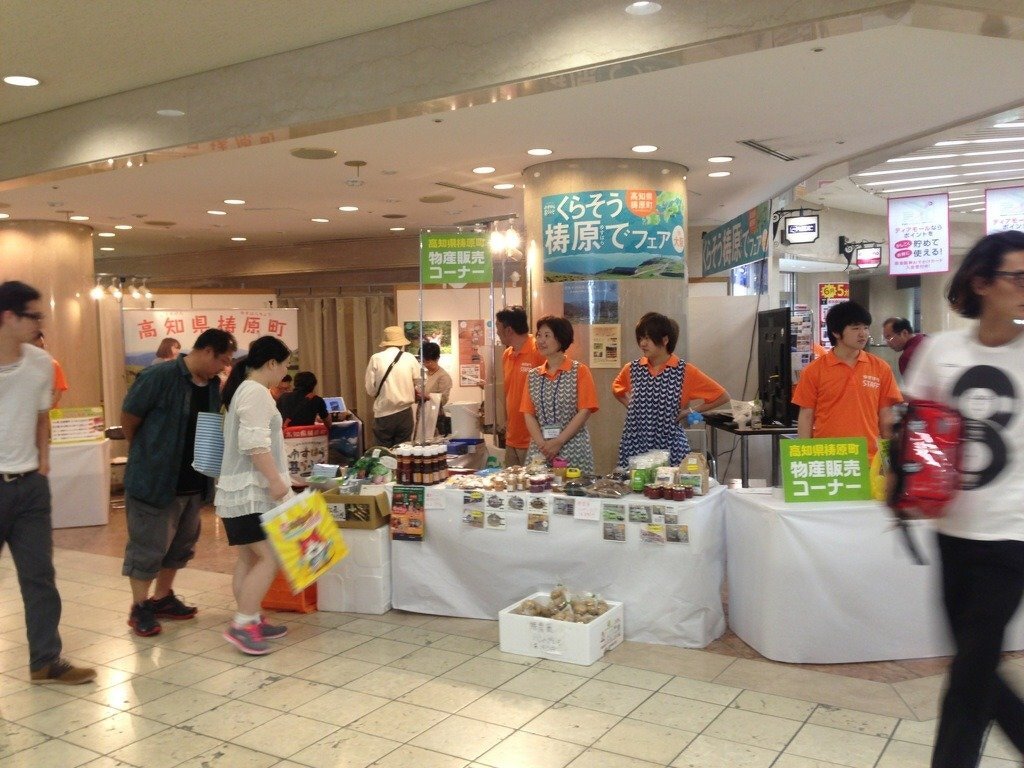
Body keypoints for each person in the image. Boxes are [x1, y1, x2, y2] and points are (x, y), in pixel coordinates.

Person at [902, 231, 1024, 768]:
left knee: (972, 668)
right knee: (974, 667)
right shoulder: (941, 350)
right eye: (1017, 277)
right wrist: (906, 485)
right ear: (982, 282)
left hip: (1013, 538)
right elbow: (912, 428)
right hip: (952, 535)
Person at [0, 281, 95, 685]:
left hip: (30, 487)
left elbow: (42, 416)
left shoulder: (40, 363)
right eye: (33, 315)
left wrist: (43, 463)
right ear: (8, 317)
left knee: (40, 577)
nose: (40, 323)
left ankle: (45, 660)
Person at [121, 328, 238, 637]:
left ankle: (162, 598)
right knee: (148, 545)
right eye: (223, 360)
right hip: (156, 478)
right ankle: (139, 607)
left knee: (180, 544)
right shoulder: (160, 377)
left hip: (193, 481)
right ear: (208, 351)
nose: (225, 367)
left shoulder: (212, 385)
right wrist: (145, 452)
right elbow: (130, 416)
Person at [215, 336, 293, 655]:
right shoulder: (256, 392)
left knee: (249, 557)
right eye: (285, 365)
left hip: (241, 491)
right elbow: (255, 444)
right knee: (269, 558)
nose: (285, 373)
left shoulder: (243, 391)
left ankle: (252, 617)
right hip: (250, 492)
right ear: (271, 363)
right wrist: (276, 481)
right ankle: (243, 624)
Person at [613, 312, 729, 467]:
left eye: (648, 338)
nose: (642, 343)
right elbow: (616, 389)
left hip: (671, 448)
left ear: (665, 340)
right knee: (635, 488)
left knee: (673, 488)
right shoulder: (632, 368)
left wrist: (691, 411)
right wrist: (633, 408)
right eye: (640, 338)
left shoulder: (685, 371)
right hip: (636, 446)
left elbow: (722, 396)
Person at [793, 300, 902, 459]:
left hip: (869, 459)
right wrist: (805, 457)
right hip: (827, 459)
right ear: (836, 332)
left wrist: (889, 459)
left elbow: (885, 416)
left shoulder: (881, 368)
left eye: (865, 327)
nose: (863, 333)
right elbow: (806, 417)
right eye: (855, 328)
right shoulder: (813, 371)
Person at [521, 315, 599, 473]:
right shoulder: (533, 375)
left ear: (561, 338)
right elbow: (528, 413)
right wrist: (543, 444)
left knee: (573, 492)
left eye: (547, 335)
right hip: (540, 449)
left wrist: (558, 441)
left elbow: (585, 410)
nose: (540, 340)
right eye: (539, 335)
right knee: (538, 493)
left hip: (573, 446)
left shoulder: (579, 371)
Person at [496, 306, 545, 466]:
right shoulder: (507, 355)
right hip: (512, 437)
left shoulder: (538, 351)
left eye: (498, 327)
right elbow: (509, 392)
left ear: (508, 330)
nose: (497, 332)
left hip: (533, 439)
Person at [364, 325, 420, 447]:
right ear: (401, 342)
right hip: (405, 413)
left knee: (383, 453)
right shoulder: (410, 358)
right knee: (403, 453)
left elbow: (370, 389)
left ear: (386, 342)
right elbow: (420, 383)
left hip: (383, 413)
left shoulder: (376, 358)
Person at [416, 341, 454, 437]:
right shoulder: (423, 374)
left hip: (435, 417)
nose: (425, 364)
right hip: (422, 414)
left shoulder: (443, 376)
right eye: (423, 361)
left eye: (428, 361)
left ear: (437, 359)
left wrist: (427, 396)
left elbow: (444, 399)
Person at [31, 331, 68, 408]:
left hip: (50, 415)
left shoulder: (53, 365)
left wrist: (43, 411)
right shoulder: (24, 368)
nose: (41, 350)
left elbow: (57, 394)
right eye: (37, 348)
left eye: (42, 346)